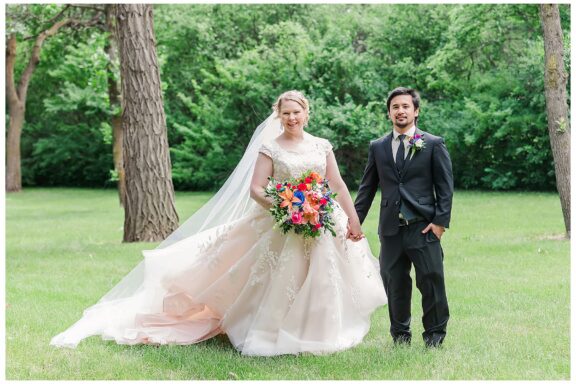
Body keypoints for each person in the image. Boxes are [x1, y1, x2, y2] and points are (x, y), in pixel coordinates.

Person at [50, 90, 387, 356]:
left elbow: (338, 185)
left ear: (306, 113)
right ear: (278, 115)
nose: (292, 118)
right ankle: (271, 329)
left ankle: (319, 329)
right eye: (285, 113)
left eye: (297, 112)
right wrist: (286, 207)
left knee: (320, 277)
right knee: (278, 276)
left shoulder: (321, 145)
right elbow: (256, 189)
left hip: (320, 219)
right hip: (281, 219)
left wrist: (352, 220)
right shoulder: (271, 148)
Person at [352, 87, 453, 347]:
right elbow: (366, 189)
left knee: (431, 281)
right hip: (390, 229)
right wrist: (354, 222)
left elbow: (445, 187)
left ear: (416, 111)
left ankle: (434, 336)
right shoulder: (378, 147)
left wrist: (440, 223)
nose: (400, 111)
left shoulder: (432, 144)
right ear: (389, 113)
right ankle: (400, 336)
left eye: (405, 106)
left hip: (423, 227)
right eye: (395, 107)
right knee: (394, 284)